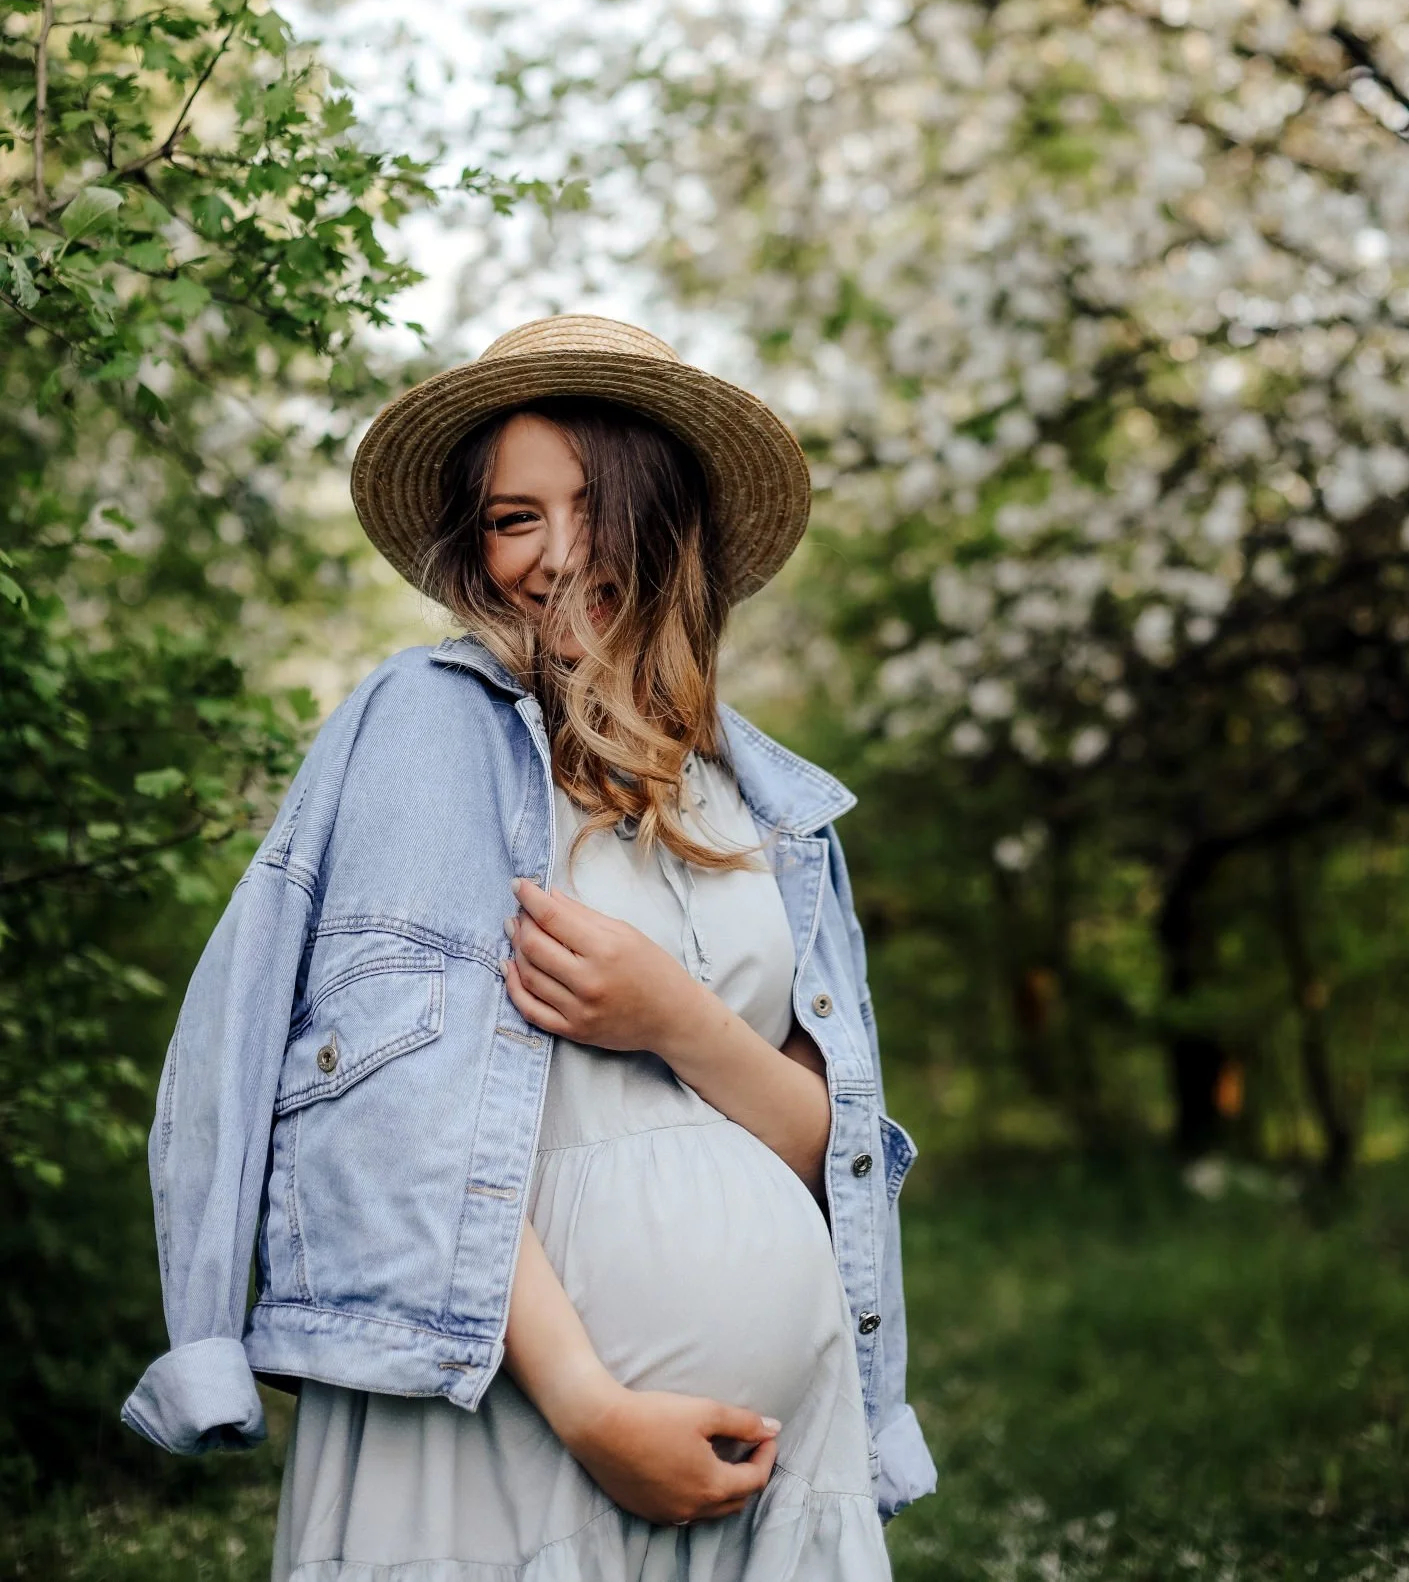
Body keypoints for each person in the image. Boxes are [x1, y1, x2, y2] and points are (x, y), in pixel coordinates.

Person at [123, 315, 937, 1580]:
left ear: (669, 524)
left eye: (594, 508)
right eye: (513, 519)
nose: (555, 558)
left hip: (780, 1460)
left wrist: (673, 1017)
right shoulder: (424, 728)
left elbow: (823, 1152)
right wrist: (594, 1410)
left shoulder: (764, 803)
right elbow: (386, 1122)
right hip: (499, 1431)